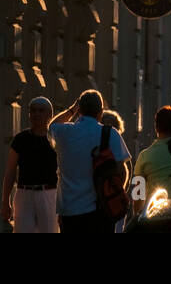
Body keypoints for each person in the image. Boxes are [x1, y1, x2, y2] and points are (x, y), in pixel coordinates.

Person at [49, 89, 131, 232]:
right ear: (101, 112)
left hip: (70, 210)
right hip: (101, 209)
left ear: (79, 110)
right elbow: (122, 170)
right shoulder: (109, 133)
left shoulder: (65, 132)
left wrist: (71, 110)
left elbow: (51, 126)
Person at [0, 96, 58, 233]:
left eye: (41, 111)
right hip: (24, 194)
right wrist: (5, 201)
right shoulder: (20, 139)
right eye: (33, 111)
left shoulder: (56, 139)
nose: (36, 114)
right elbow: (10, 171)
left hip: (49, 194)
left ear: (50, 114)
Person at [134, 105, 171, 211]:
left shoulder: (144, 156)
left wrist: (137, 215)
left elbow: (138, 194)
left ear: (156, 127)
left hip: (155, 213)